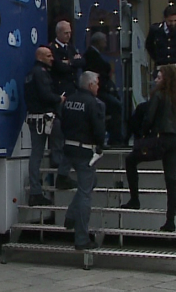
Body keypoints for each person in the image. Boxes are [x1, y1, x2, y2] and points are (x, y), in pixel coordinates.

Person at [121, 65, 176, 232]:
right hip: (175, 141)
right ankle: (170, 220)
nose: (155, 80)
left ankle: (134, 199)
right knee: (171, 179)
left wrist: (143, 135)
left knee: (131, 160)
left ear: (166, 80)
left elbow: (149, 118)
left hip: (160, 139)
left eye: (159, 77)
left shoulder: (159, 95)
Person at [60, 71, 106, 251]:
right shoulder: (94, 103)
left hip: (68, 149)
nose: (98, 87)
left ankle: (71, 215)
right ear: (90, 85)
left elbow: (63, 123)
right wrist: (100, 145)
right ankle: (81, 239)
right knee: (86, 193)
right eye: (97, 83)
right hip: (85, 151)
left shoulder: (69, 100)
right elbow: (99, 130)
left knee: (90, 183)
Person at [24, 46, 65, 206]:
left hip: (34, 118)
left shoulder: (30, 74)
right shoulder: (41, 73)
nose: (52, 58)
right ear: (40, 57)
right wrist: (59, 99)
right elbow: (45, 95)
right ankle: (62, 176)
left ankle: (35, 192)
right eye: (48, 56)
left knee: (36, 155)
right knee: (61, 146)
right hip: (46, 117)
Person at [48, 19, 84, 188]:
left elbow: (81, 62)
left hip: (72, 91)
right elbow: (59, 67)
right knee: (59, 126)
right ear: (58, 33)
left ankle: (69, 158)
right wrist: (72, 62)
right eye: (66, 33)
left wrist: (70, 62)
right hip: (60, 92)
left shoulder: (71, 47)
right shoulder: (52, 48)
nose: (69, 36)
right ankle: (57, 158)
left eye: (70, 33)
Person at [84, 31, 125, 145]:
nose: (106, 44)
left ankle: (116, 135)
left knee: (115, 103)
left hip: (102, 88)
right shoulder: (91, 55)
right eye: (104, 42)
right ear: (98, 42)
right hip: (98, 90)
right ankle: (115, 138)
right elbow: (101, 71)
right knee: (116, 106)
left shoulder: (95, 54)